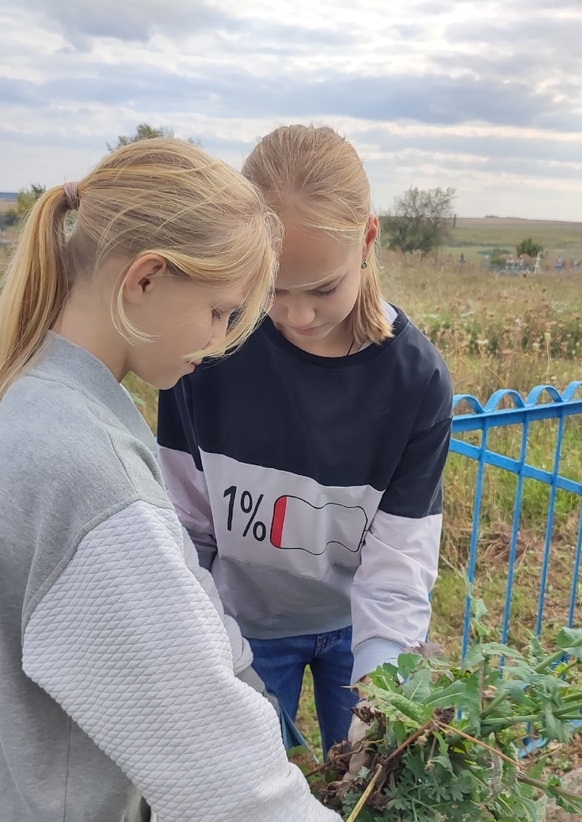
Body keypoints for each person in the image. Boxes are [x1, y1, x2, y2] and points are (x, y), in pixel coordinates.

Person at [0, 138, 379, 822]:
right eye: (221, 312)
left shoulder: (42, 400)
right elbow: (199, 734)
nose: (220, 343)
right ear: (144, 279)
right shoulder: (86, 469)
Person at [158, 124, 453, 751]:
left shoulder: (416, 383)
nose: (297, 316)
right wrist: (217, 656)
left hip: (362, 630)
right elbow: (187, 534)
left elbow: (396, 566)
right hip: (244, 631)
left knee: (372, 814)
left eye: (322, 289)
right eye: (272, 288)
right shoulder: (205, 354)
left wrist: (381, 699)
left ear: (368, 239)